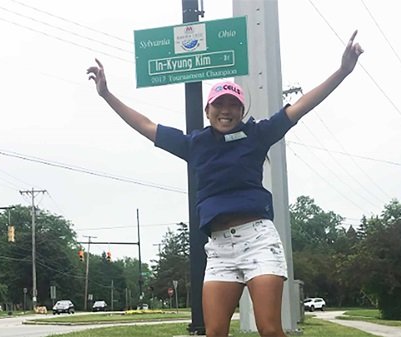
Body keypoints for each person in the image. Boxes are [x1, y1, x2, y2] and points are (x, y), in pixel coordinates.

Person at [87, 30, 363, 337]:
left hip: (258, 240)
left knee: (269, 328)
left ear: (242, 111)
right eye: (219, 104)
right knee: (214, 332)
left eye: (233, 105)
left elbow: (301, 107)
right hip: (219, 247)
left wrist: (342, 71)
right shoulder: (195, 144)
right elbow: (146, 125)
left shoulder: (257, 135)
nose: (225, 110)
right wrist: (107, 95)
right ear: (207, 111)